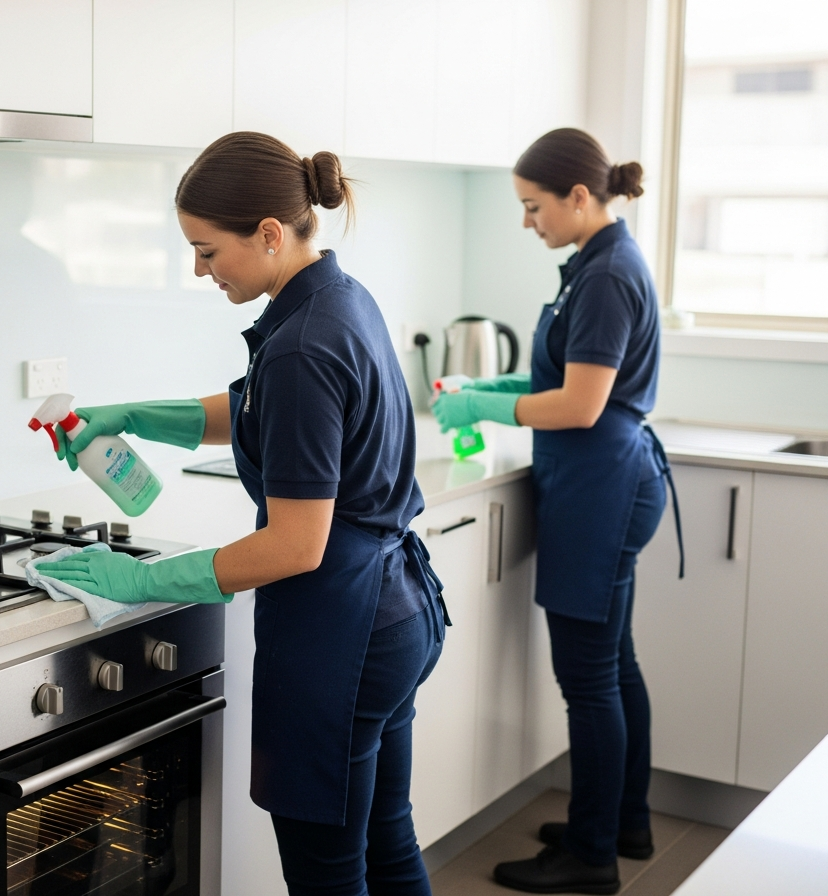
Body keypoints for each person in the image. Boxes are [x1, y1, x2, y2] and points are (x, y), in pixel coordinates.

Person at [37, 131, 448, 895]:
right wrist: (130, 414)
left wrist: (143, 580)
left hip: (343, 633)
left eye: (206, 250)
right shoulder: (337, 297)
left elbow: (294, 546)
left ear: (266, 234)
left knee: (330, 875)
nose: (198, 270)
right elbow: (254, 410)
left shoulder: (301, 347)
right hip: (398, 616)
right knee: (387, 847)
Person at [434, 128, 681, 895]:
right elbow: (567, 375)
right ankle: (622, 821)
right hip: (600, 481)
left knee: (590, 678)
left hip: (600, 488)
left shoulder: (608, 274)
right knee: (613, 665)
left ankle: (591, 854)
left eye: (532, 206)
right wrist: (498, 389)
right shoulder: (595, 266)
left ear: (579, 196)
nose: (526, 221)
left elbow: (580, 404)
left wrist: (481, 400)